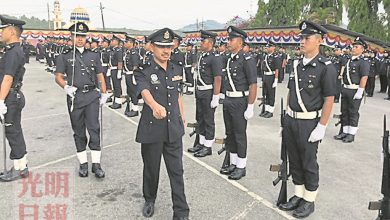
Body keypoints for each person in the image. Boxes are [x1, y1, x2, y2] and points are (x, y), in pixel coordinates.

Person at [278, 21, 337, 218]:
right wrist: (286, 118)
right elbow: (290, 93)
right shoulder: (296, 65)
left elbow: (329, 99)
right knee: (294, 159)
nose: (302, 42)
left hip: (309, 122)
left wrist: (322, 126)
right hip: (292, 120)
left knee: (308, 162)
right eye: (301, 38)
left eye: (306, 38)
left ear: (319, 41)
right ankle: (298, 195)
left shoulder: (325, 67)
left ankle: (309, 200)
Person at [134, 27, 189, 220]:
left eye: (169, 47)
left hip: (173, 128)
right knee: (151, 168)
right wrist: (154, 105)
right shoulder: (143, 69)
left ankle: (181, 211)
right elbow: (143, 90)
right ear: (152, 47)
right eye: (161, 47)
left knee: (177, 171)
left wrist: (182, 116)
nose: (166, 51)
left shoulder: (176, 68)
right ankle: (150, 199)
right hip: (152, 128)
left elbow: (178, 94)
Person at [55, 22, 111, 178]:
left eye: (82, 36)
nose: (80, 39)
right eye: (76, 36)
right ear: (71, 37)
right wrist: (66, 87)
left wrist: (104, 92)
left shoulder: (93, 55)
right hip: (75, 97)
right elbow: (58, 76)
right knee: (78, 131)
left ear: (86, 38)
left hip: (92, 96)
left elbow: (100, 75)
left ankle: (96, 165)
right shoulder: (64, 56)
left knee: (94, 129)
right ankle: (83, 164)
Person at [219, 26, 257, 180]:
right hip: (228, 100)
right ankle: (234, 163)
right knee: (230, 133)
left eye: (231, 39)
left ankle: (241, 166)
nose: (228, 42)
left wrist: (250, 106)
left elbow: (253, 84)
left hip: (240, 101)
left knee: (240, 134)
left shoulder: (247, 59)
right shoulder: (228, 58)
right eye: (228, 39)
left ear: (240, 42)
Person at [0, 15, 29, 182]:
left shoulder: (13, 52)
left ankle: (21, 168)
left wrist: (1, 101)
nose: (0, 33)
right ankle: (19, 165)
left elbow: (8, 78)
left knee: (13, 132)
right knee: (13, 132)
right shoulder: (12, 50)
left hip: (10, 96)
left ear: (11, 31)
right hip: (11, 95)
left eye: (2, 30)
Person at [188, 30, 222, 158]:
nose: (201, 43)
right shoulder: (202, 56)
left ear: (210, 43)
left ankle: (208, 146)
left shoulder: (215, 57)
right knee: (200, 118)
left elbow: (218, 78)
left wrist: (216, 96)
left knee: (208, 119)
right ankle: (201, 143)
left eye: (203, 41)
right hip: (200, 90)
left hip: (208, 91)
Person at [333, 37, 369, 143]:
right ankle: (344, 131)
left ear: (362, 49)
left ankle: (351, 133)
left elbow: (364, 77)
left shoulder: (363, 62)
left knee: (353, 112)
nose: (353, 48)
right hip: (346, 89)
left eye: (356, 47)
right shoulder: (348, 60)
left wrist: (360, 90)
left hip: (355, 89)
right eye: (353, 46)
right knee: (344, 111)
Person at [259, 41, 281, 118]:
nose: (267, 48)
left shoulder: (276, 57)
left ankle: (271, 111)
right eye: (267, 47)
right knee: (265, 93)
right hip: (265, 76)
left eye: (269, 47)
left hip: (271, 76)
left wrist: (276, 79)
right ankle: (266, 110)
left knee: (271, 94)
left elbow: (277, 69)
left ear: (273, 48)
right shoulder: (266, 56)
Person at [123, 34, 140, 117]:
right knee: (129, 91)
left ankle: (135, 109)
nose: (125, 44)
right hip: (127, 74)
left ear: (131, 43)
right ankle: (132, 108)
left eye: (126, 42)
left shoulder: (134, 53)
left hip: (131, 74)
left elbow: (135, 65)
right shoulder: (128, 52)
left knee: (133, 92)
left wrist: (134, 76)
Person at [108, 35, 124, 109]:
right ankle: (115, 101)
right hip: (113, 69)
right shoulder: (113, 50)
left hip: (116, 70)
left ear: (116, 42)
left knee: (117, 86)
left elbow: (120, 62)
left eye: (113, 41)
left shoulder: (119, 50)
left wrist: (119, 71)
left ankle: (118, 102)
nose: (111, 42)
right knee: (114, 85)